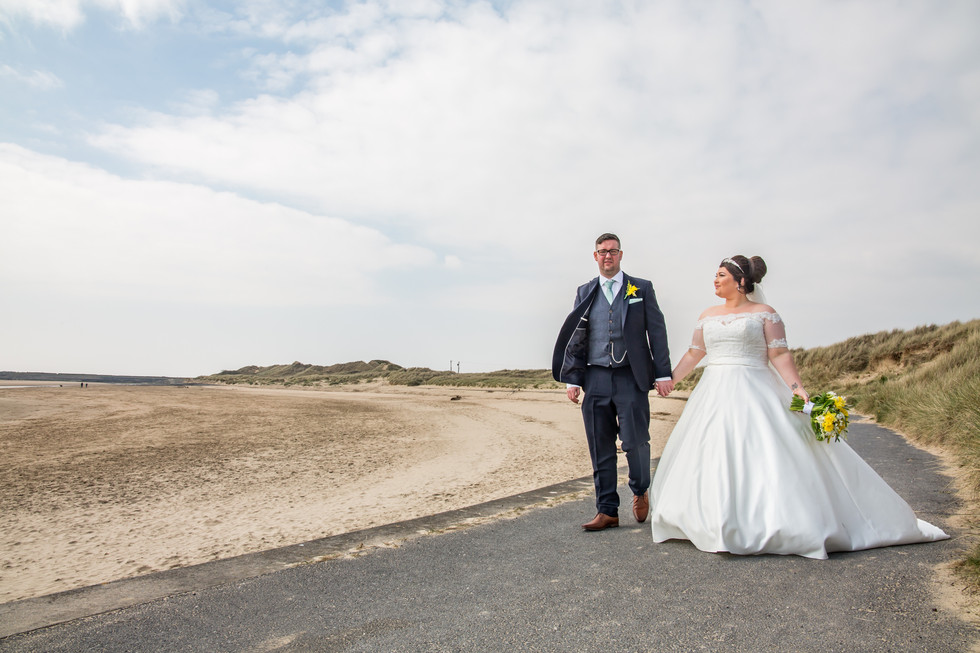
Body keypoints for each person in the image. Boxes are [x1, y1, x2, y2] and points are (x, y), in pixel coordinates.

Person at [649, 255, 949, 558]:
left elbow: (779, 355)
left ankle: (773, 521)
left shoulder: (765, 314)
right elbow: (694, 353)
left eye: (721, 274)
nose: (715, 279)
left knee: (763, 450)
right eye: (715, 274)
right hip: (713, 392)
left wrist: (798, 390)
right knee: (712, 451)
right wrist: (670, 380)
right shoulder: (707, 315)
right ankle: (710, 519)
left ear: (740, 282)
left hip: (756, 388)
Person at [552, 233, 673, 531]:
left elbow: (656, 332)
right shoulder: (585, 291)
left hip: (630, 376)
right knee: (600, 444)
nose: (608, 256)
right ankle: (607, 510)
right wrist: (572, 378)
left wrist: (663, 373)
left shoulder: (640, 288)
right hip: (594, 377)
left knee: (635, 441)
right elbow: (577, 336)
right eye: (603, 252)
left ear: (621, 255)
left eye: (613, 251)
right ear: (595, 256)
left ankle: (640, 487)